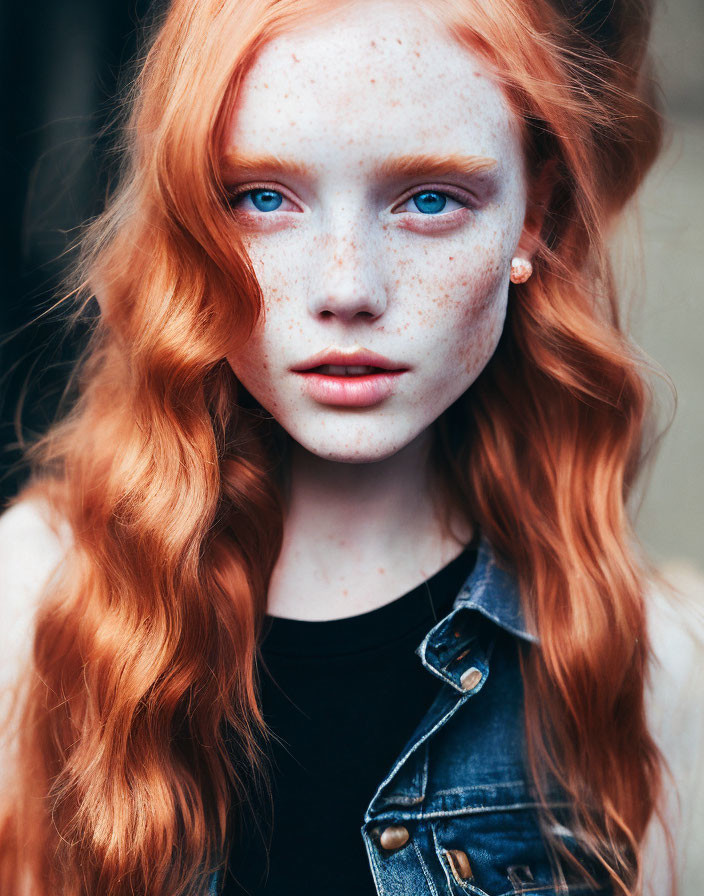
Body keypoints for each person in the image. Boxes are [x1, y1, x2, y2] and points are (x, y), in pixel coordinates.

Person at [0, 0, 701, 893]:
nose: (348, 287)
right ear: (187, 218)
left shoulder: (652, 674)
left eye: (431, 199)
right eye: (262, 198)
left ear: (538, 212)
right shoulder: (33, 602)